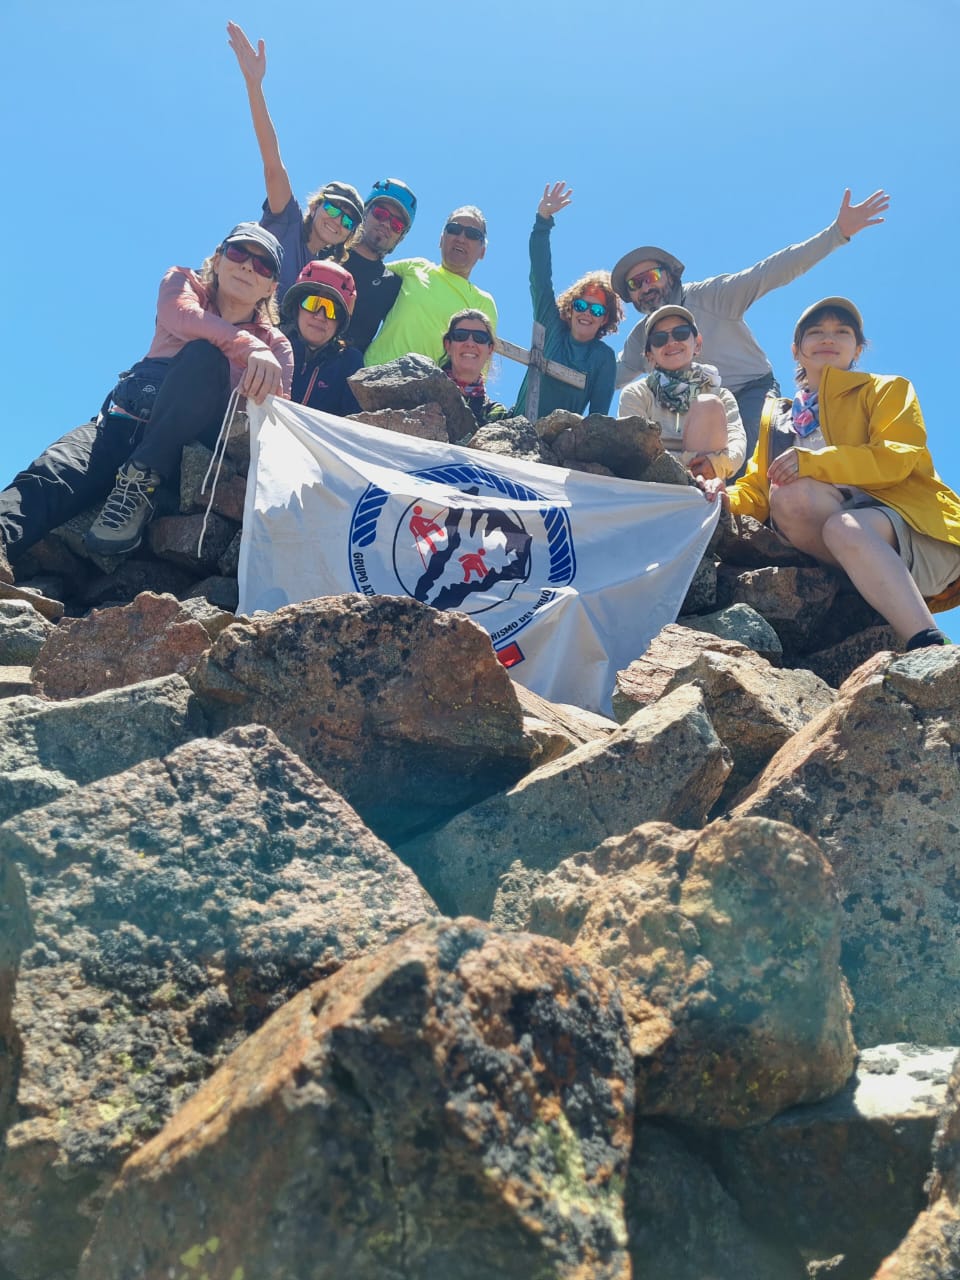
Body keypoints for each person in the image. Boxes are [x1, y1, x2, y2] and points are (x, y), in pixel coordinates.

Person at [0, 222, 292, 596]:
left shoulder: (278, 346)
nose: (248, 266)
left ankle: (140, 482)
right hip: (120, 422)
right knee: (50, 475)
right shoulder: (182, 282)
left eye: (263, 265)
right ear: (218, 260)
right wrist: (250, 347)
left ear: (271, 288)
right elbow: (182, 315)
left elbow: (276, 412)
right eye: (238, 253)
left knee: (204, 358)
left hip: (188, 448)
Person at [703, 297, 960, 649]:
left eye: (842, 332)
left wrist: (813, 462)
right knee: (789, 494)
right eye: (816, 332)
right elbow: (758, 490)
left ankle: (929, 645)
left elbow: (896, 458)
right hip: (840, 543)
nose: (828, 338)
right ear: (796, 350)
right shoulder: (778, 418)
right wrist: (721, 496)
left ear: (858, 348)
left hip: (919, 531)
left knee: (843, 525)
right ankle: (869, 593)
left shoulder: (886, 389)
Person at [611, 189, 891, 465]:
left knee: (749, 459)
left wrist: (836, 233)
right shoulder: (640, 339)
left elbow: (770, 272)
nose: (645, 286)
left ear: (671, 276)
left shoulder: (712, 296)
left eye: (652, 276)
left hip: (750, 390)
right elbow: (608, 375)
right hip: (690, 405)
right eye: (635, 284)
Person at [227, 22, 364, 296]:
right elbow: (273, 166)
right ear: (315, 206)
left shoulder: (323, 274)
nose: (337, 221)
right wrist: (254, 85)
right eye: (333, 209)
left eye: (348, 222)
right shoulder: (287, 221)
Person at [514, 182, 622, 420]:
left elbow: (598, 418)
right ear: (571, 308)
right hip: (515, 429)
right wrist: (543, 220)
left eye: (596, 310)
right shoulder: (550, 327)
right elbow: (540, 277)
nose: (587, 313)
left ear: (605, 318)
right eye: (581, 305)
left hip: (560, 441)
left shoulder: (602, 358)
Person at [618, 305, 745, 480]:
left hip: (704, 482)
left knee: (709, 404)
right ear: (650, 355)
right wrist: (687, 468)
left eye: (681, 333)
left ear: (697, 344)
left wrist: (715, 464)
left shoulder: (720, 395)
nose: (671, 342)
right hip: (655, 482)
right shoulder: (637, 394)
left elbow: (737, 443)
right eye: (659, 338)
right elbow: (634, 450)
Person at [364, 207, 498, 367]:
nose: (461, 238)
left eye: (472, 234)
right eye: (454, 229)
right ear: (441, 240)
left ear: (482, 251)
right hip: (369, 373)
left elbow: (479, 366)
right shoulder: (415, 266)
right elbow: (368, 272)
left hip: (422, 383)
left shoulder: (483, 302)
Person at [344, 179, 418, 354]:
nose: (386, 224)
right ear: (364, 213)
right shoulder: (327, 251)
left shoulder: (392, 286)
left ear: (400, 238)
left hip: (344, 368)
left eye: (397, 225)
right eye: (380, 214)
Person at [280, 261, 362, 416]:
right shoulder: (270, 343)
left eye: (332, 310)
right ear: (297, 307)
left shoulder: (350, 363)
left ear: (340, 321)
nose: (320, 316)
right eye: (312, 303)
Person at [439, 310, 508, 428]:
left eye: (480, 337)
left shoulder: (496, 413)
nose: (470, 343)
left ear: (490, 349)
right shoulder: (423, 390)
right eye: (460, 336)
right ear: (448, 345)